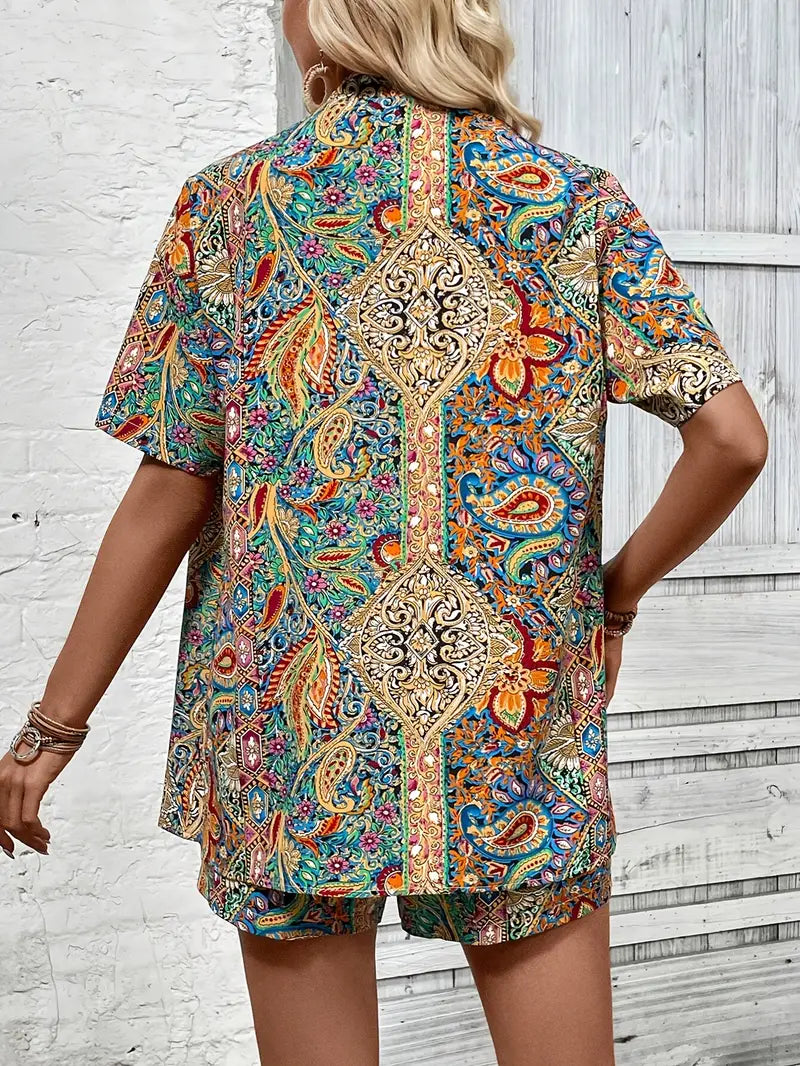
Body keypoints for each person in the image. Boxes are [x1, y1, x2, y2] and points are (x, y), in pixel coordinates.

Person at [1, 1, 768, 1063]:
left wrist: (51, 731)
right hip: (510, 718)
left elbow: (171, 485)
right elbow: (732, 440)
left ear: (333, 15)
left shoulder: (234, 204)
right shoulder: (573, 202)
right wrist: (613, 597)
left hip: (292, 723)